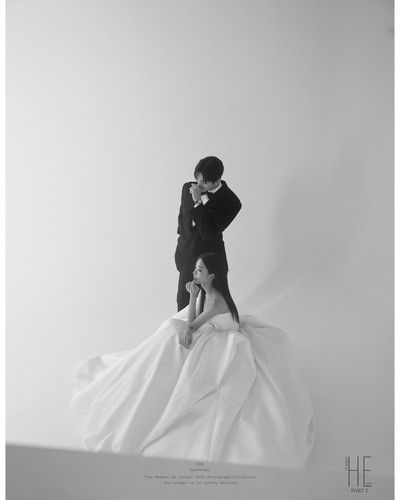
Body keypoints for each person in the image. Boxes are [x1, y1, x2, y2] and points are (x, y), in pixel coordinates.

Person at [71, 253, 315, 468]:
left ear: (212, 276)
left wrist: (191, 303)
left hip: (221, 343)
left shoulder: (217, 300)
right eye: (196, 268)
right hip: (209, 332)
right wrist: (194, 297)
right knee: (169, 330)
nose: (194, 273)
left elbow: (191, 325)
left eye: (199, 270)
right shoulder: (206, 293)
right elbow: (193, 320)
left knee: (173, 336)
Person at [174, 156, 242, 311]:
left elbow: (208, 232)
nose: (198, 185)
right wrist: (182, 242)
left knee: (213, 310)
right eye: (197, 179)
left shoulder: (231, 202)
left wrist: (198, 203)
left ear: (217, 181)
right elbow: (182, 219)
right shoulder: (187, 188)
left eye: (203, 182)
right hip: (187, 257)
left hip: (211, 262)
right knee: (183, 309)